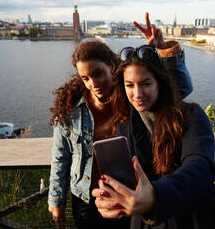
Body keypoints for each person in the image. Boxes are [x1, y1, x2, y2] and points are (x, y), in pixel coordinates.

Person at [48, 12, 193, 229]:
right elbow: (60, 158)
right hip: (88, 198)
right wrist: (56, 201)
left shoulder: (130, 96)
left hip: (129, 193)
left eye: (98, 74)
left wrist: (164, 50)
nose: (93, 84)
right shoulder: (70, 110)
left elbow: (180, 89)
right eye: (85, 78)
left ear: (112, 67)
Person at [92, 44, 215, 228]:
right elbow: (129, 182)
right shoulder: (125, 126)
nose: (137, 94)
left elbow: (200, 168)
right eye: (129, 85)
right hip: (147, 222)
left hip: (193, 219)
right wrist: (113, 198)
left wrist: (156, 195)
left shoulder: (190, 115)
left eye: (145, 84)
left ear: (160, 83)